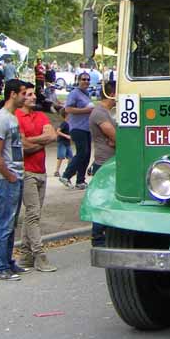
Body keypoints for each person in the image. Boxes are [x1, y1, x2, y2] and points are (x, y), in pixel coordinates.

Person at [15, 82, 58, 272]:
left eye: (34, 94)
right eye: (29, 94)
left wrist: (33, 142)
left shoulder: (40, 115)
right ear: (22, 96)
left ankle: (25, 256)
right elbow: (22, 145)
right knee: (33, 214)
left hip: (41, 171)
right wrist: (42, 141)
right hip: (27, 172)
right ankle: (40, 255)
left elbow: (53, 136)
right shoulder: (17, 116)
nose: (33, 97)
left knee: (33, 215)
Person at [0, 78, 29, 280]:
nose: (26, 97)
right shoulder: (1, 119)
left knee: (11, 222)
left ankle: (8, 261)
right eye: (23, 93)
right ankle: (1, 266)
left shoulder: (13, 117)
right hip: (7, 179)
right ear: (13, 94)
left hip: (17, 175)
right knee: (4, 222)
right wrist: (10, 176)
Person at [88, 81, 116, 246]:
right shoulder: (99, 113)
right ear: (111, 94)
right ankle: (97, 237)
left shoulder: (108, 112)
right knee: (102, 200)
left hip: (110, 160)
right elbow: (116, 137)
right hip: (104, 162)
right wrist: (116, 139)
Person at [59, 72, 93, 189]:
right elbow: (68, 109)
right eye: (83, 79)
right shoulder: (74, 93)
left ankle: (80, 180)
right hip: (77, 128)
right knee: (82, 152)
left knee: (87, 154)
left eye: (88, 80)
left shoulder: (87, 94)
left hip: (87, 128)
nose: (86, 82)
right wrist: (85, 110)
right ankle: (66, 175)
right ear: (78, 80)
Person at [55, 108, 73, 177]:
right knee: (61, 157)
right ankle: (57, 171)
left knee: (71, 157)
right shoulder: (64, 123)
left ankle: (68, 170)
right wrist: (66, 136)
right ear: (66, 115)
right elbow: (58, 131)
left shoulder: (70, 123)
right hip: (62, 142)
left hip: (67, 143)